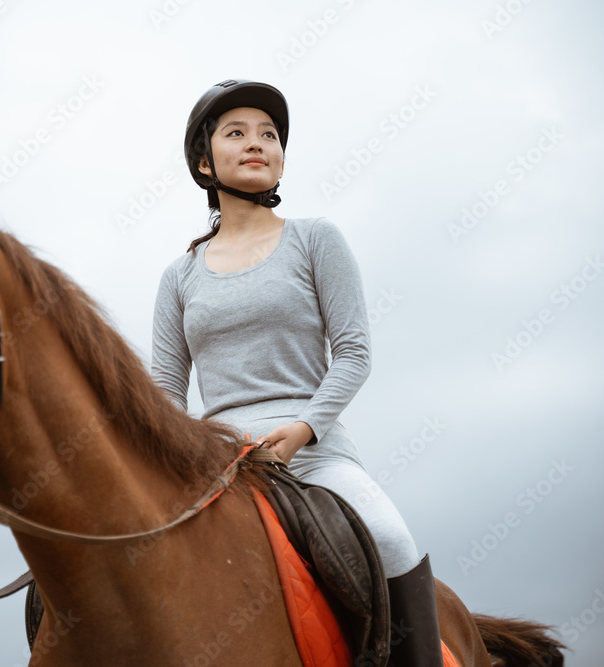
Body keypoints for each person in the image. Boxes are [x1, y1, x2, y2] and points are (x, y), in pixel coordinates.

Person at [150, 79, 443, 665]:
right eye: (237, 133)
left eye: (270, 135)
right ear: (205, 162)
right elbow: (164, 389)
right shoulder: (179, 276)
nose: (258, 143)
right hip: (218, 456)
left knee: (392, 541)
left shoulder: (315, 239)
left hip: (313, 448)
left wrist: (304, 430)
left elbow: (354, 354)